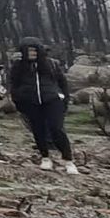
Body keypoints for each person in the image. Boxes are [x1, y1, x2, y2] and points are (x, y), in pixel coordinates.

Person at [10, 37, 76, 174]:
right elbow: (14, 84)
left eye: (34, 50)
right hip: (30, 102)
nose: (32, 53)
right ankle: (45, 157)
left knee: (56, 129)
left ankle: (68, 159)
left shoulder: (51, 64)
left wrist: (64, 98)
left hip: (52, 100)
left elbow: (62, 82)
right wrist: (18, 100)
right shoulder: (18, 66)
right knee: (38, 130)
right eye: (29, 51)